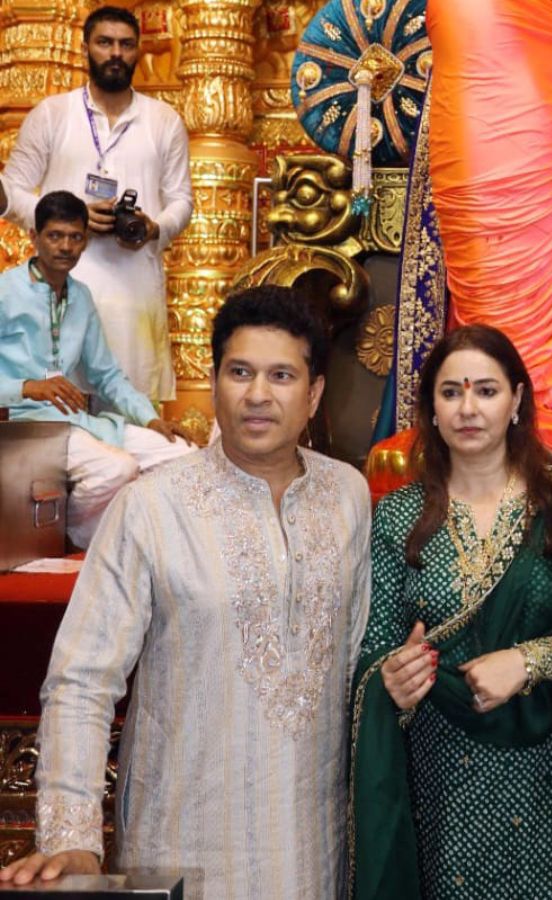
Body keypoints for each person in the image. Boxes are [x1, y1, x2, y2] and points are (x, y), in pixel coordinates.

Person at [0, 286, 371, 899]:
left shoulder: (348, 497)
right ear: (217, 381)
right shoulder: (151, 506)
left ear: (314, 394)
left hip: (314, 848)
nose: (257, 394)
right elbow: (81, 679)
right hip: (184, 844)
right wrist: (72, 836)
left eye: (281, 375)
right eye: (240, 372)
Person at [351, 324, 552, 900]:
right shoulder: (398, 517)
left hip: (550, 770)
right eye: (450, 392)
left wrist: (528, 661)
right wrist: (392, 678)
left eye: (486, 391)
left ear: (516, 402)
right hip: (440, 775)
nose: (468, 408)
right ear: (430, 409)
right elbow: (374, 653)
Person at [0, 4, 193, 402]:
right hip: (61, 286)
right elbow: (11, 189)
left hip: (133, 290)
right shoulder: (52, 114)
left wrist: (154, 227)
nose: (115, 53)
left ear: (139, 51)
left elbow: (181, 201)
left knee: (131, 409)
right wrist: (70, 217)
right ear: (85, 46)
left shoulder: (164, 120)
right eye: (105, 42)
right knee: (59, 408)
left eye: (126, 44)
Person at [0, 190, 192, 548]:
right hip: (26, 424)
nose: (65, 247)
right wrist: (26, 387)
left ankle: (130, 546)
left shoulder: (81, 296)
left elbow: (108, 376)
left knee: (181, 456)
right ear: (33, 237)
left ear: (85, 242)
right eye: (55, 236)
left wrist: (150, 419)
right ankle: (70, 539)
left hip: (77, 422)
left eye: (75, 237)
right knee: (116, 469)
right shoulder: (5, 292)